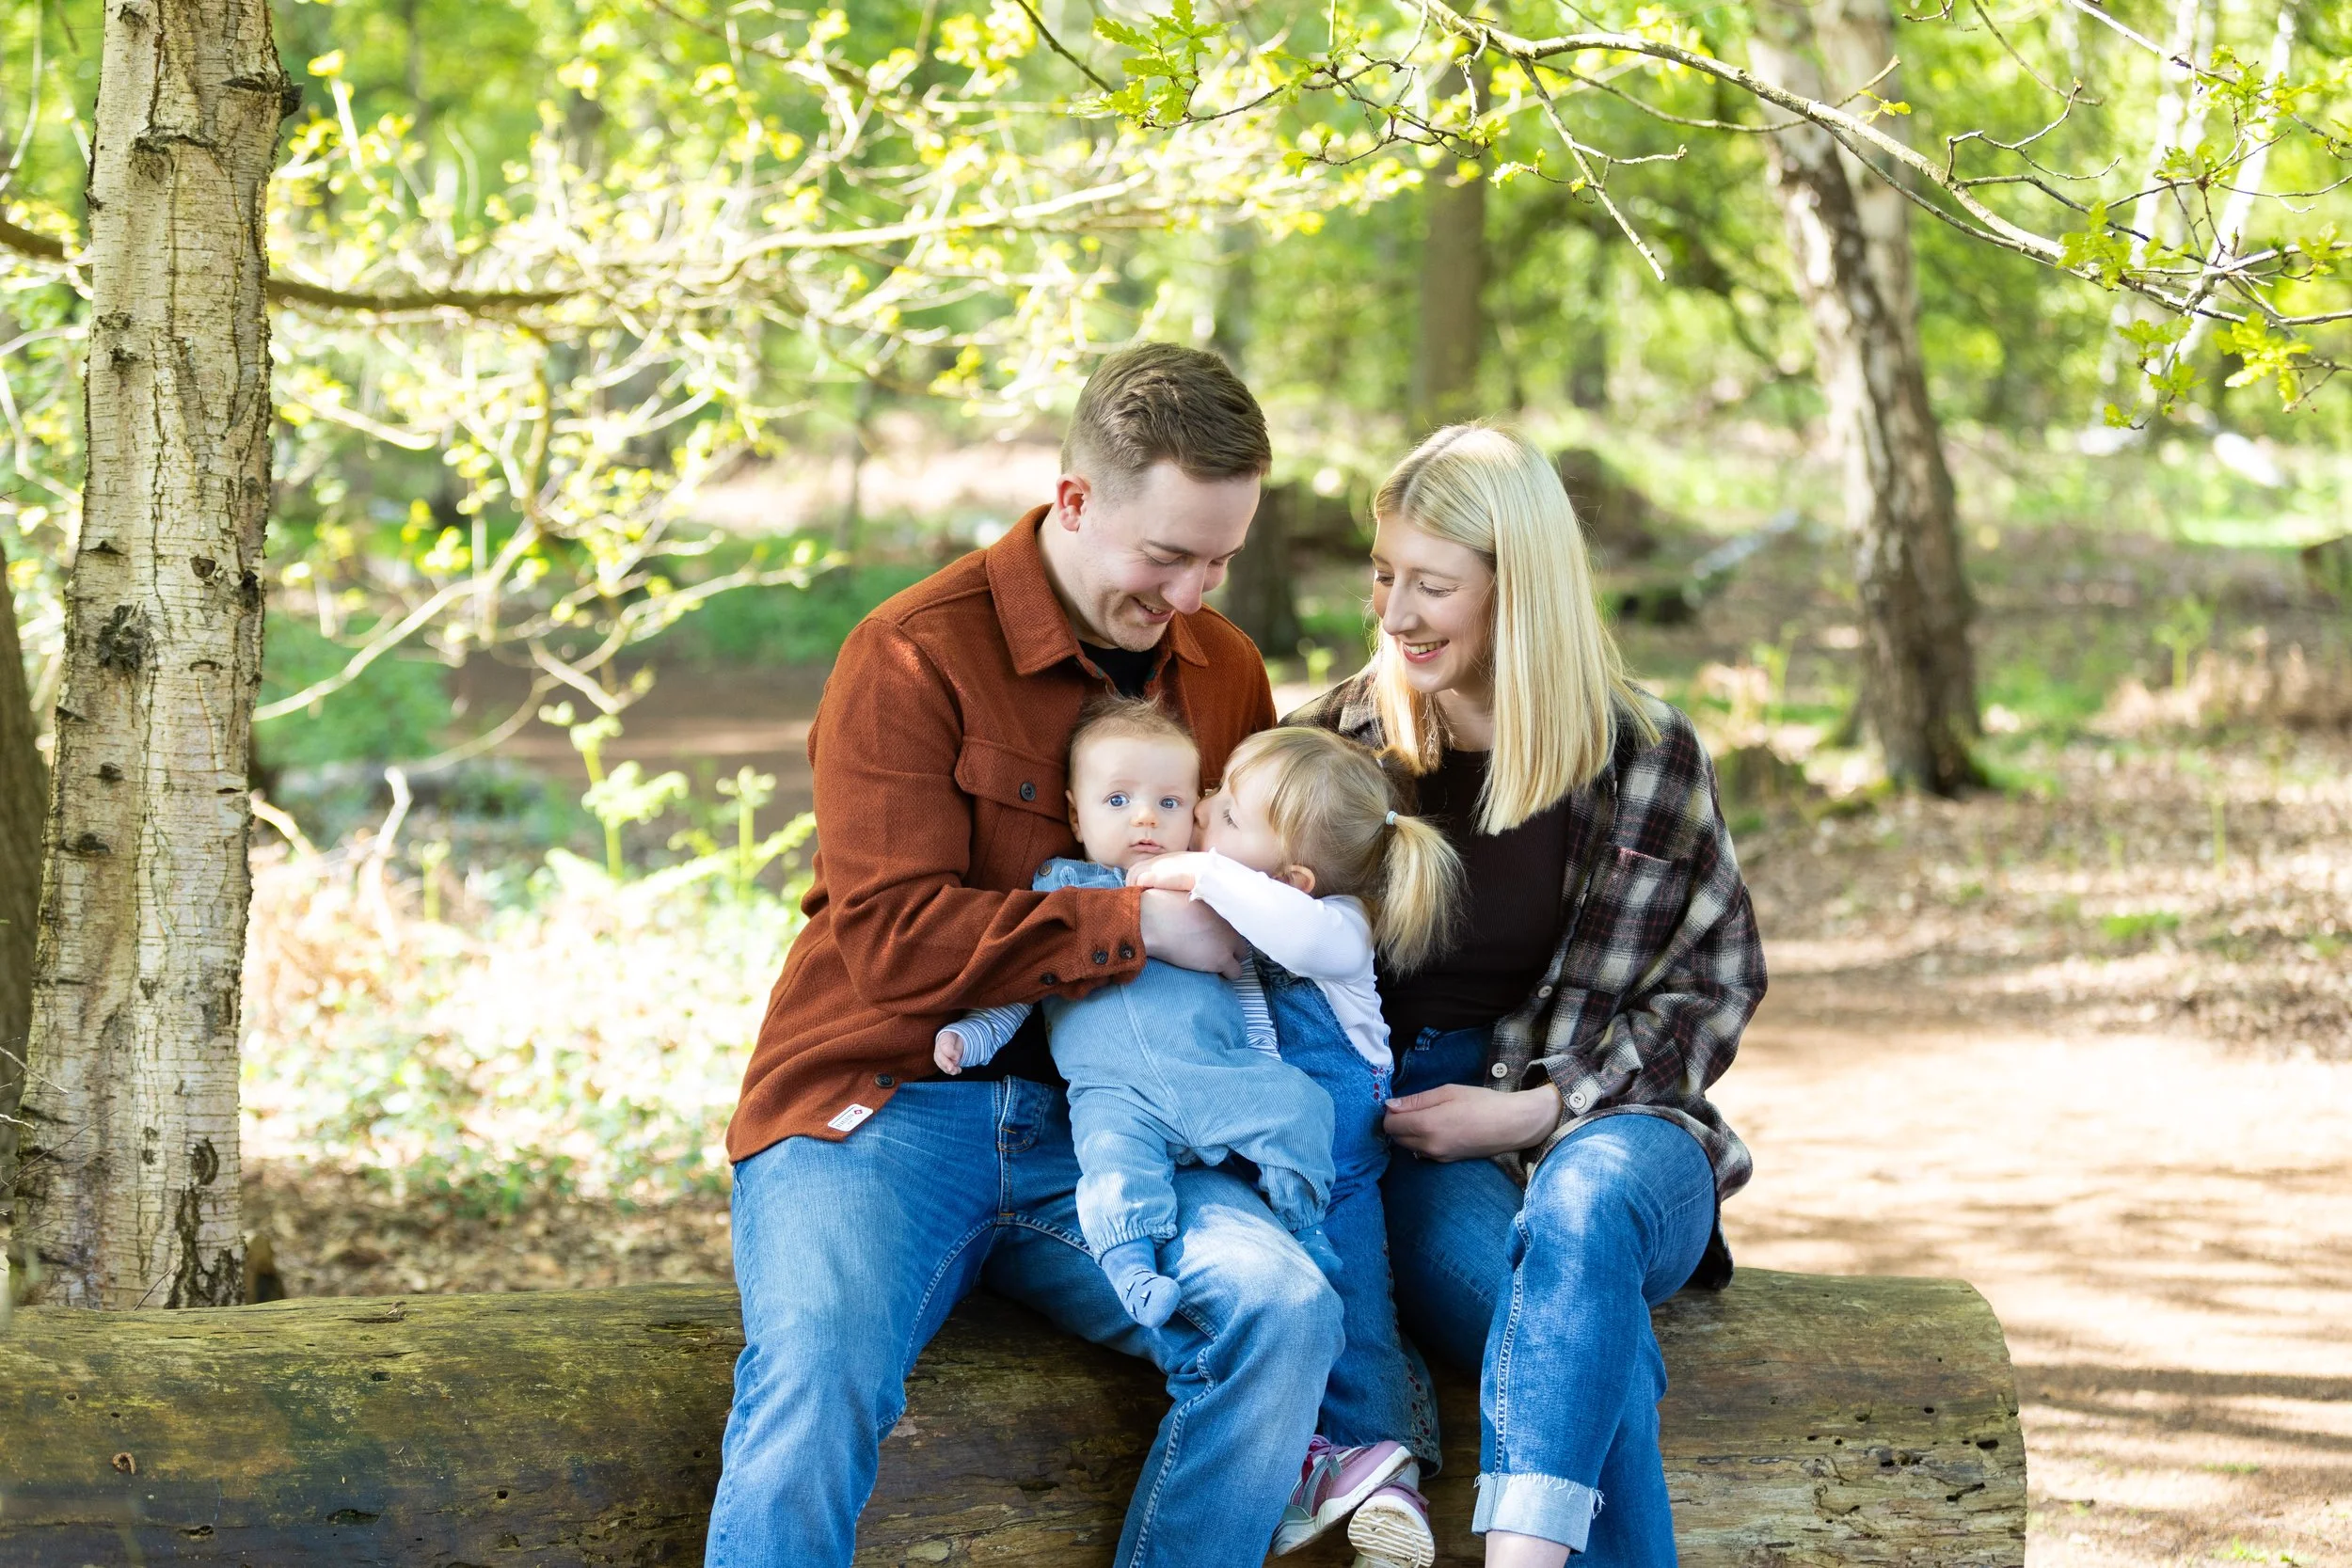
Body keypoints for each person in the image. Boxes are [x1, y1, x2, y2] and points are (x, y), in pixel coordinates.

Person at [707, 342, 1343, 1568]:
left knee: (1283, 1307)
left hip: (1119, 1123)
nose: (1193, 594)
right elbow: (894, 943)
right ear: (1074, 499)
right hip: (882, 1099)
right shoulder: (910, 654)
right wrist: (1132, 923)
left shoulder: (1226, 670)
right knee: (815, 1366)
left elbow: (1258, 891)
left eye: (1221, 559)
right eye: (1167, 555)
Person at [1291, 424, 1768, 1568]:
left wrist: (1540, 1107)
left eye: (1432, 583)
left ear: (1520, 586)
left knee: (1584, 1207)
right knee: (1598, 1352)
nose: (1395, 612)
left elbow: (1714, 985)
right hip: (1417, 1137)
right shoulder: (1333, 749)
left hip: (1623, 1126)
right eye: (1384, 574)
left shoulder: (1643, 752)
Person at [1128, 721, 1466, 1568]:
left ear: (1294, 879)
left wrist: (1201, 869)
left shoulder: (1338, 926)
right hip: (1257, 1159)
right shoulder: (1242, 904)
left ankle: (1391, 1478)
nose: (1203, 811)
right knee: (1283, 1306)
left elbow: (1300, 938)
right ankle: (1312, 1465)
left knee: (1357, 1312)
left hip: (1339, 1167)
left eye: (1228, 814)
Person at [932, 696, 1346, 1323]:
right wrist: (973, 1035)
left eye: (1170, 802)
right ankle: (1132, 1268)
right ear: (1077, 815)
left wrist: (1261, 1064)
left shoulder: (1210, 895)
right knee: (1113, 1166)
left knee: (1302, 1107)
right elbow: (1022, 984)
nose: (1146, 817)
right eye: (1118, 800)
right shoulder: (1061, 892)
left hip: (1213, 1073)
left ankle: (1302, 1224)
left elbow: (1244, 986)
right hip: (1115, 1090)